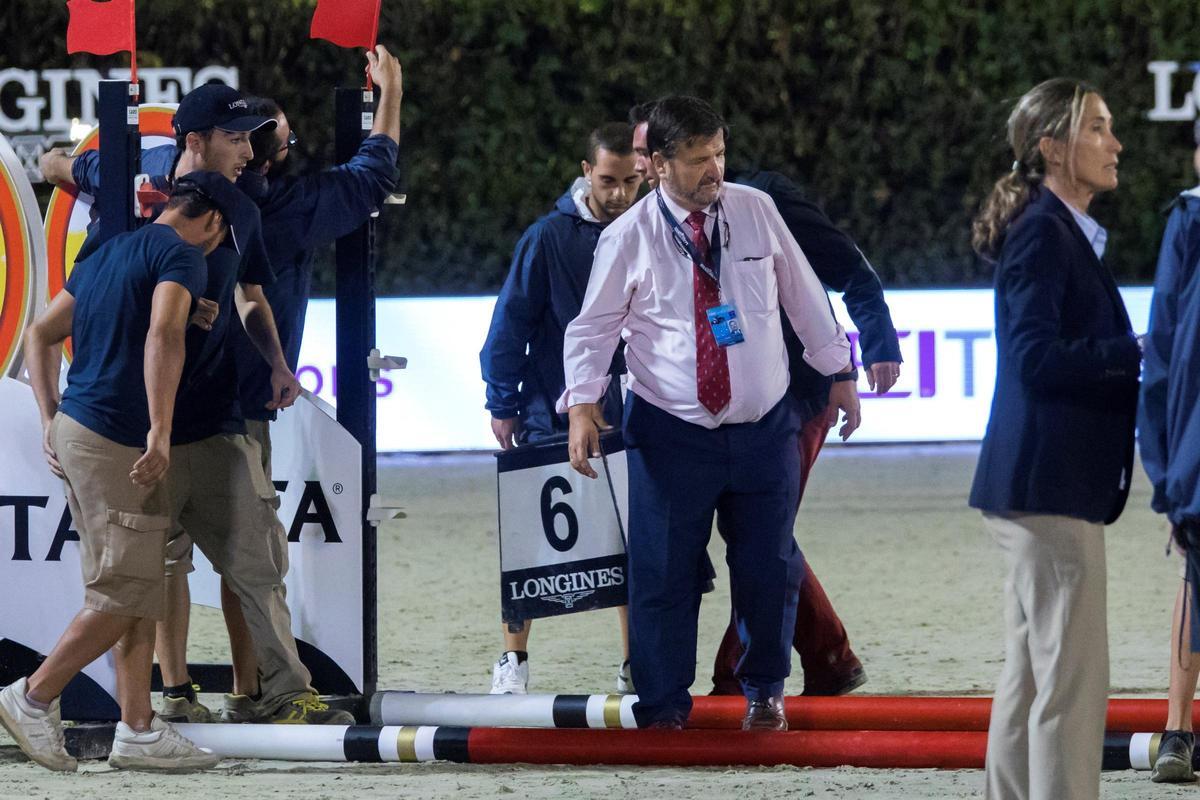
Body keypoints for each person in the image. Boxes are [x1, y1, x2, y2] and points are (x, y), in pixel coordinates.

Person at [41, 84, 351, 726]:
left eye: (251, 136)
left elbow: (251, 295)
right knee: (145, 581)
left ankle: (280, 692)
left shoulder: (243, 206)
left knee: (256, 563)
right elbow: (59, 167)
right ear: (194, 140)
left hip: (213, 420)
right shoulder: (127, 181)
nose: (252, 150)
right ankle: (158, 705)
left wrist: (275, 361)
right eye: (236, 138)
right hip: (131, 432)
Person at [561, 96, 852, 730]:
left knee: (766, 565)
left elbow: (805, 297)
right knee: (663, 573)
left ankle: (765, 692)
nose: (714, 169)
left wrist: (840, 373)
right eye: (698, 160)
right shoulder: (626, 237)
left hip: (764, 424)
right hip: (669, 431)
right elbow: (593, 329)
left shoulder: (756, 210)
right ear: (658, 164)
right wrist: (582, 404)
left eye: (719, 154)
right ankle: (662, 707)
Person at [156, 45, 402, 724]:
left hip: (159, 412)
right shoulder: (282, 206)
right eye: (282, 138)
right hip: (227, 415)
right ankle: (255, 689)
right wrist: (391, 93)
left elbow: (90, 165)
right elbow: (373, 174)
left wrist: (62, 165)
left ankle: (179, 694)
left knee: (171, 565)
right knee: (250, 561)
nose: (288, 144)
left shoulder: (151, 180)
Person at [628, 102, 902, 696]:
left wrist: (865, 352)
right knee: (760, 535)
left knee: (763, 535)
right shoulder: (648, 216)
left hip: (791, 396)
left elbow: (845, 268)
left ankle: (753, 675)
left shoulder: (765, 200)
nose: (641, 170)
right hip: (699, 410)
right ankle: (823, 659)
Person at [0, 175, 238, 772]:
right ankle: (32, 697)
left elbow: (40, 332)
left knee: (136, 583)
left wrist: (51, 415)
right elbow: (162, 334)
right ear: (210, 221)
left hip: (82, 429)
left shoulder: (109, 251)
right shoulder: (184, 256)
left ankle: (137, 729)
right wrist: (161, 431)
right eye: (224, 233)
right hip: (117, 441)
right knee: (125, 591)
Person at [968, 78, 1139, 800]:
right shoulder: (1044, 229)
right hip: (1052, 486)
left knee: (1033, 673)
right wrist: (1140, 356)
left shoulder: (1050, 226)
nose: (1116, 143)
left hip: (1035, 484)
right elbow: (1033, 356)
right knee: (1071, 683)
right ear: (1053, 147)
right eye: (1098, 128)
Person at [480, 122, 642, 695]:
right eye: (608, 180)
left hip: (637, 413)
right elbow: (509, 324)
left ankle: (634, 663)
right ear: (585, 173)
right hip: (551, 411)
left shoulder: (656, 230)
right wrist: (502, 400)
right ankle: (512, 662)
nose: (620, 192)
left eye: (631, 180)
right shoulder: (547, 238)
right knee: (532, 540)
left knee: (631, 542)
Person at [1139, 119, 1200, 783]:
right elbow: (1165, 347)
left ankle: (1180, 733)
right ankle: (1178, 728)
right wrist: (1168, 466)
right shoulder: (1189, 221)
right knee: (1196, 570)